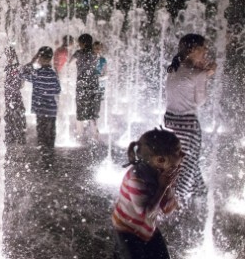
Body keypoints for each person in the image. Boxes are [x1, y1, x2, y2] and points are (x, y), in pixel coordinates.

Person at [112, 128, 184, 259]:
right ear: (160, 160)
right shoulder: (136, 177)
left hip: (147, 228)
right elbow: (145, 213)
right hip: (127, 230)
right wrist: (163, 187)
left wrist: (168, 186)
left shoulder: (159, 173)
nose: (183, 154)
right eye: (178, 152)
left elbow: (167, 209)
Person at [164, 33, 216, 202]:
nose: (206, 51)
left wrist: (202, 72)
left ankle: (200, 194)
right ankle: (178, 201)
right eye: (203, 47)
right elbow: (200, 102)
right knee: (186, 165)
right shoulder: (198, 74)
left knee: (180, 162)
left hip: (170, 123)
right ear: (193, 50)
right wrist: (205, 76)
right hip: (188, 126)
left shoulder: (173, 69)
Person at [20, 47, 61, 161]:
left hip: (41, 108)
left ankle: (44, 154)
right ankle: (51, 151)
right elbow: (58, 90)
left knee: (42, 131)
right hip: (52, 109)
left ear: (40, 58)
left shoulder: (37, 74)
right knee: (51, 130)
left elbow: (22, 73)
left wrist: (32, 60)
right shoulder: (53, 74)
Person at [70, 34, 100, 140]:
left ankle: (80, 132)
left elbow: (70, 63)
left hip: (82, 83)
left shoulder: (78, 53)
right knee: (93, 107)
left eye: (79, 43)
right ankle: (95, 132)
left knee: (80, 106)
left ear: (82, 43)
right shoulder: (94, 54)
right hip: (93, 83)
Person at [0, 47, 26, 145]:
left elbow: (22, 82)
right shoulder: (14, 67)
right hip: (9, 95)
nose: (9, 57)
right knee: (10, 115)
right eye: (8, 55)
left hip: (13, 94)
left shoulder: (9, 67)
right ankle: (14, 136)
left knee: (16, 114)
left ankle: (17, 136)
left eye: (10, 55)